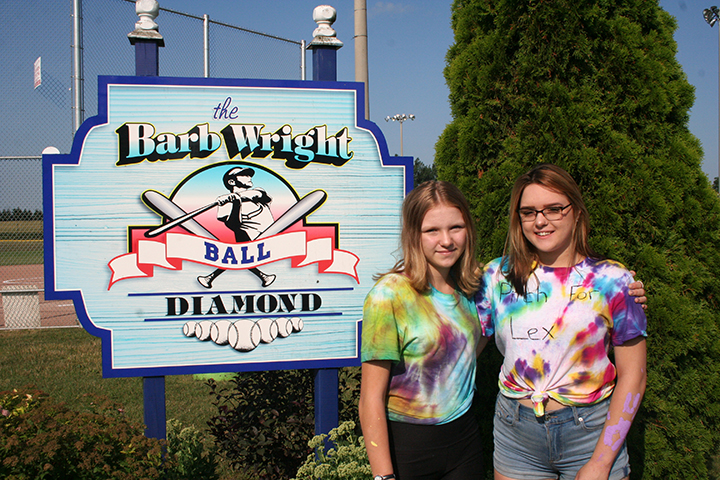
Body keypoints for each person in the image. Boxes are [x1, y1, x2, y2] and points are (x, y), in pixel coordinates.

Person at [475, 164, 647, 480]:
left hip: (591, 436)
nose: (540, 221)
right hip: (516, 436)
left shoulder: (613, 280)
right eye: (528, 212)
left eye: (554, 209)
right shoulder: (497, 276)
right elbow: (464, 346)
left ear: (577, 212)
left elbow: (634, 376)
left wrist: (601, 462)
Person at [359, 181, 487, 480]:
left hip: (466, 443)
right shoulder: (389, 295)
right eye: (432, 231)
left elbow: (468, 352)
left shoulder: (475, 287)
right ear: (413, 235)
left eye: (456, 227)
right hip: (408, 450)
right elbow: (370, 399)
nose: (446, 240)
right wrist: (383, 476)